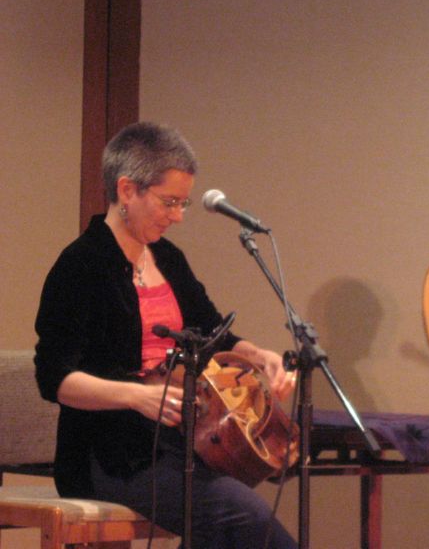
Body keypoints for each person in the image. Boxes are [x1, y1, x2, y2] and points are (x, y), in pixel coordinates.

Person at [34, 122, 297, 549]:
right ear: (126, 190)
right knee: (247, 519)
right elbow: (54, 378)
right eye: (168, 202)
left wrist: (256, 355)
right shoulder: (81, 265)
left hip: (181, 444)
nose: (178, 216)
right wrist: (136, 396)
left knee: (235, 518)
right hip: (109, 455)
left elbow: (212, 332)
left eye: (183, 203)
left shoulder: (167, 257)